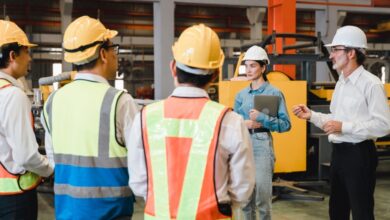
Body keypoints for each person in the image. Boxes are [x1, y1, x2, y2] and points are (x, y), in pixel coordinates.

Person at [128, 24, 255, 219]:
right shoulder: (229, 121)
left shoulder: (145, 118)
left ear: (173, 68)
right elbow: (242, 188)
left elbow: (139, 183)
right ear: (215, 74)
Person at [41, 16, 139, 220]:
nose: (115, 55)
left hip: (67, 212)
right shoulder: (120, 102)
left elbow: (52, 161)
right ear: (103, 53)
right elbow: (141, 165)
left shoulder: (52, 102)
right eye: (114, 49)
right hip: (113, 213)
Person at [292, 25, 390, 220]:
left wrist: (344, 127)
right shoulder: (341, 83)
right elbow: (334, 119)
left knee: (361, 211)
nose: (331, 56)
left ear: (351, 53)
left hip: (360, 155)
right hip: (339, 154)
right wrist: (311, 115)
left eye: (336, 50)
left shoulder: (371, 84)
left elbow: (383, 125)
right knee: (337, 210)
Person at [0, 19, 53, 219]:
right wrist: (49, 169)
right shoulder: (13, 95)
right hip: (14, 198)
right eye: (27, 52)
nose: (30, 58)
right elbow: (26, 156)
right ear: (12, 55)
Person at [234, 45, 291, 220]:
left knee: (262, 200)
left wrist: (263, 119)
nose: (249, 70)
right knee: (244, 202)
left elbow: (286, 124)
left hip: (262, 146)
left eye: (253, 66)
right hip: (243, 146)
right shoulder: (241, 95)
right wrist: (245, 123)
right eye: (247, 66)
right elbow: (234, 124)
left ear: (263, 67)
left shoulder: (274, 93)